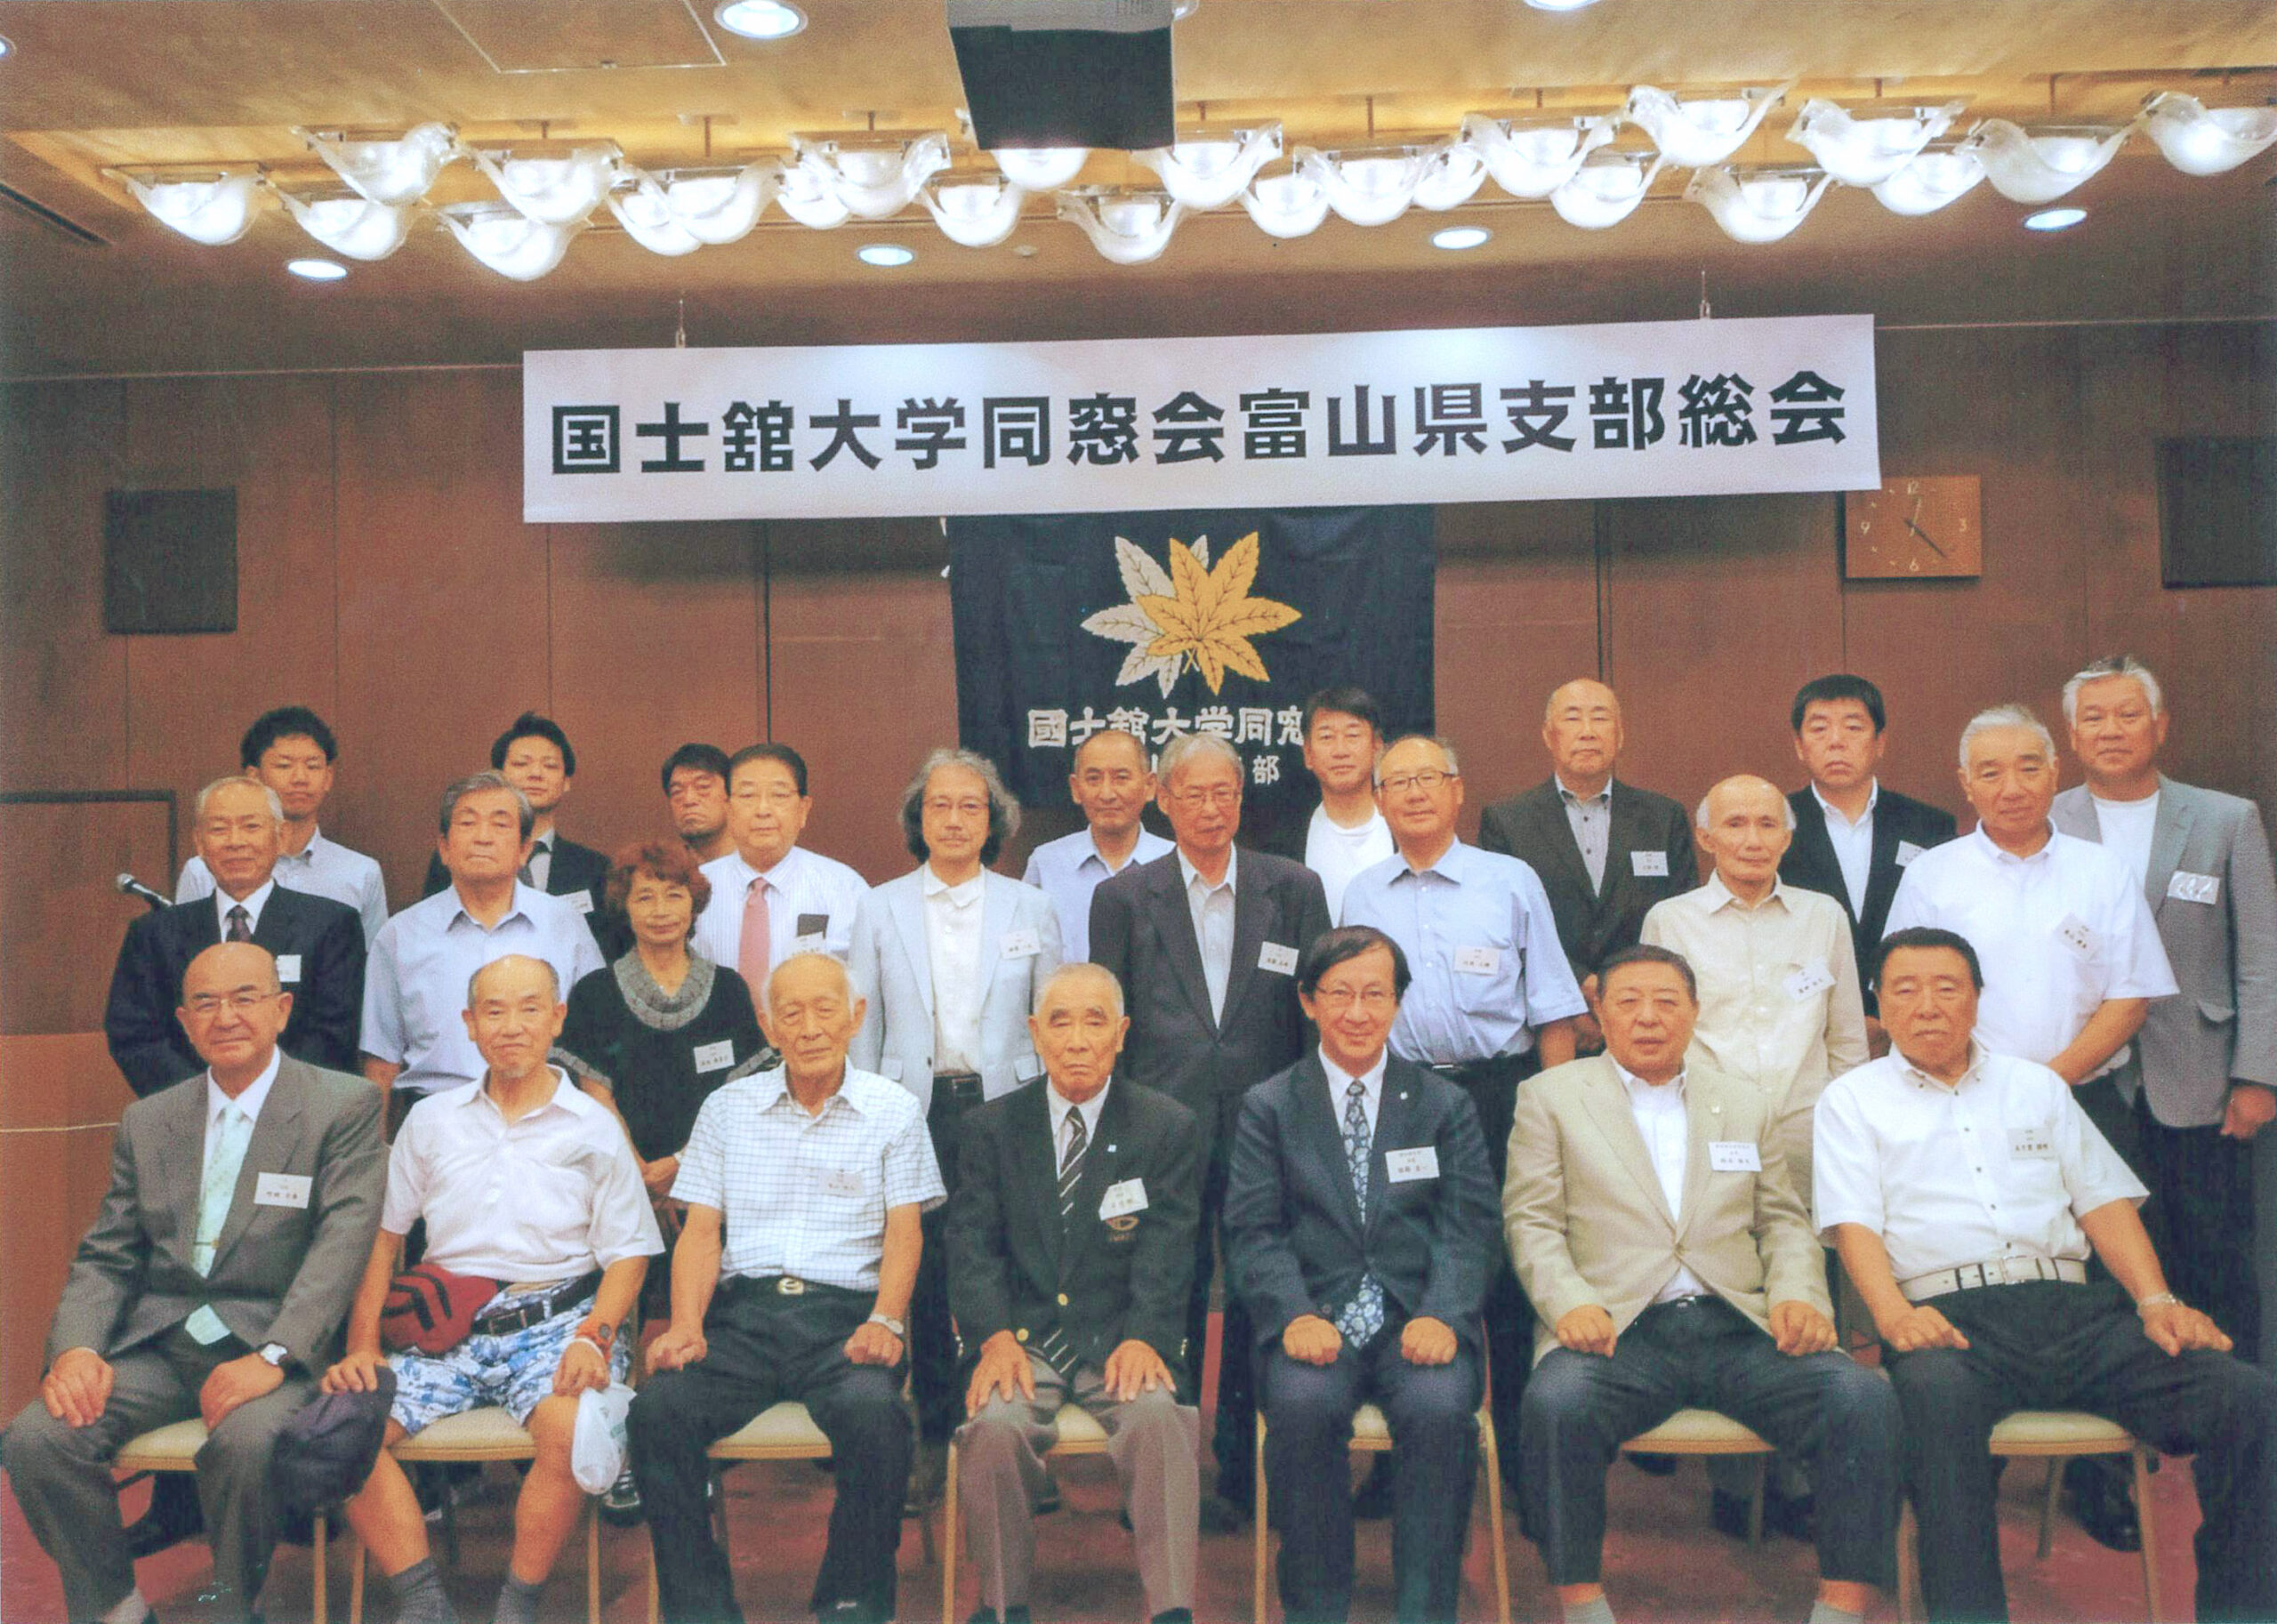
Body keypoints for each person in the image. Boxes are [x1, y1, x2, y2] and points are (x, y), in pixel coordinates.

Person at [1816, 928, 2277, 1624]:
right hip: (1950, 1321)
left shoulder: (2035, 1086)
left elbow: (2103, 1204)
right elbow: (1855, 1225)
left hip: (2074, 1311)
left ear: (1977, 998)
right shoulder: (1851, 1100)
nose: (1928, 1005)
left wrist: (2157, 1302)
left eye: (1947, 988)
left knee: (2248, 1399)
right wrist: (1893, 1317)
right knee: (1934, 1410)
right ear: (1879, 1003)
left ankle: (2241, 1613)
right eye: (1905, 990)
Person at [1508, 945, 1899, 1624]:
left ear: (1695, 1011)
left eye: (1667, 1001)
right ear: (1599, 1012)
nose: (1648, 1017)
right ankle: (1582, 1604)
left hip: (1739, 1326)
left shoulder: (1742, 1101)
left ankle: (1841, 1608)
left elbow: (1782, 1221)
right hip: (1618, 1327)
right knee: (1556, 1403)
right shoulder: (1551, 1098)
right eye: (1628, 1002)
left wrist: (1798, 1295)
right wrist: (1570, 1302)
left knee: (1862, 1399)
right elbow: (1532, 1221)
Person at [5, 942, 385, 1624]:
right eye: (205, 1003)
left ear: (282, 1009)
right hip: (163, 1344)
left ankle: (235, 1607)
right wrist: (77, 1349)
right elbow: (108, 1255)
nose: (226, 1016)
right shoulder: (150, 1120)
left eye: (245, 998)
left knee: (245, 1444)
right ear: (183, 1022)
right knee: (38, 1439)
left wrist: (273, 1356)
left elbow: (341, 1247)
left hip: (276, 1347)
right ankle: (118, 1609)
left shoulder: (342, 1104)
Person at [1882, 703, 2183, 1549]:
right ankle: (1963, 1465)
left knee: (2099, 1286)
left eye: (2026, 768)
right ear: (1964, 783)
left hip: (2081, 1094)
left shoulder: (2099, 870)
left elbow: (2131, 994)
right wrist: (1987, 1085)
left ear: (2055, 773)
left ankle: (2101, 1481)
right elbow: (1906, 986)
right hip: (1952, 1101)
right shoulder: (1935, 873)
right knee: (1972, 1266)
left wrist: (2045, 1084)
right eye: (1990, 771)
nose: (2010, 786)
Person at [323, 954, 660, 1624]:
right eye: (494, 1012)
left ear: (556, 1019)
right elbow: (384, 1239)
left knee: (569, 1430)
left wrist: (595, 1336)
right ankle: (424, 1604)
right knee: (341, 1433)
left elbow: (628, 1254)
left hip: (558, 1322)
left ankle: (516, 1608)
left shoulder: (593, 1125)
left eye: (530, 1009)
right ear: (470, 1024)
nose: (512, 1027)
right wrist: (362, 1345)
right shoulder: (431, 1120)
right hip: (445, 1328)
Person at [630, 952, 944, 1624]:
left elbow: (905, 1233)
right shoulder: (727, 1109)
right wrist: (686, 1325)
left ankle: (850, 1603)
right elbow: (700, 1233)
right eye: (791, 1013)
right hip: (744, 1321)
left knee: (875, 1415)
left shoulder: (893, 1110)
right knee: (657, 1411)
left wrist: (887, 1319)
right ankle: (701, 1610)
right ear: (769, 1026)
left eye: (825, 1009)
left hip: (844, 1322)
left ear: (856, 1017)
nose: (809, 1028)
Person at [1089, 730, 1332, 1528]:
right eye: (1192, 793)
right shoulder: (1125, 897)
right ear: (1162, 798)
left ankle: (1247, 1471)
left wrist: (1310, 1118)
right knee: (1167, 1293)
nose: (1209, 808)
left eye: (1224, 792)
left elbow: (1313, 1014)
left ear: (1241, 798)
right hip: (1162, 1127)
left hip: (1269, 1124)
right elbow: (1112, 1022)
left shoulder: (1292, 887)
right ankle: (1163, 1477)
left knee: (1263, 1289)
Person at [1224, 926, 1499, 1624]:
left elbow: (1470, 1228)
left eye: (1375, 994)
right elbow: (1254, 1231)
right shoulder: (1270, 1105)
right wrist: (1293, 1314)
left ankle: (1426, 1611)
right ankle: (1315, 1609)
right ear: (1308, 1001)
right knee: (1303, 1410)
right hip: (1313, 1320)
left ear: (1398, 1002)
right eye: (1339, 993)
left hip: (1418, 1321)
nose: (1356, 1012)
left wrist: (1443, 1313)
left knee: (1441, 1413)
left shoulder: (1443, 1104)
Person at [1340, 734, 1584, 1497]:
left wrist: (1559, 1121)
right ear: (1378, 801)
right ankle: (1401, 1466)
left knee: (1511, 1274)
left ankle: (1526, 1474)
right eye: (1398, 782)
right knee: (1402, 1263)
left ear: (1457, 789)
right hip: (1403, 1099)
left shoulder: (1510, 880)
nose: (1414, 792)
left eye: (1429, 778)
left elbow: (1554, 1010)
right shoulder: (1361, 894)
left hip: (1501, 1092)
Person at [949, 963, 1204, 1624]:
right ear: (1035, 1033)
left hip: (1121, 1335)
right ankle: (1001, 1605)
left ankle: (1172, 1608)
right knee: (994, 1428)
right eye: (1060, 1023)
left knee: (1160, 1420)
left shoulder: (1166, 1125)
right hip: (1023, 1338)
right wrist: (993, 1337)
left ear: (1122, 1033)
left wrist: (1145, 1335)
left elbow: (1170, 1246)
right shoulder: (990, 1128)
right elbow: (972, 1246)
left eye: (1096, 1022)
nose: (1078, 1040)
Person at [848, 747, 1063, 1501]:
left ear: (993, 820)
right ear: (918, 818)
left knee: (1012, 1256)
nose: (954, 819)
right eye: (939, 805)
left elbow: (1050, 1018)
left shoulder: (1030, 907)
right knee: (927, 1270)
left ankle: (1017, 1437)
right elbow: (864, 1025)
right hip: (914, 1106)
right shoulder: (879, 907)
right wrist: (869, 1116)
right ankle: (936, 1433)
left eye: (971, 806)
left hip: (1008, 1104)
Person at [2053, 656, 2277, 1362]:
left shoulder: (2225, 819)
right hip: (2089, 1082)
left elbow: (2261, 958)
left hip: (2202, 1082)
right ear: (2072, 735)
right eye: (2093, 718)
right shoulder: (2047, 820)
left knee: (2217, 1257)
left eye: (2128, 715)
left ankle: (2237, 1419)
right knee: (2105, 1268)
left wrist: (2257, 1076)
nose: (2111, 730)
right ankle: (2118, 1430)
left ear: (2160, 725)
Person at [553, 841, 768, 1315]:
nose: (661, 910)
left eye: (674, 895)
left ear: (694, 903)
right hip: (620, 1187)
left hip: (715, 1188)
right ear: (624, 908)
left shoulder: (729, 991)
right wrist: (643, 1180)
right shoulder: (594, 994)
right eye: (645, 897)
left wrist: (681, 1169)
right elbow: (595, 1095)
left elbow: (743, 1098)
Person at [1641, 774, 1868, 1204]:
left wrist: (1847, 1128)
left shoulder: (1824, 917)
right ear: (1706, 838)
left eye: (1767, 825)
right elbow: (1659, 1040)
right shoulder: (1669, 921)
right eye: (1735, 824)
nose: (1753, 841)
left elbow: (1847, 1040)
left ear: (1786, 838)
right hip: (1710, 1132)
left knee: (1807, 1244)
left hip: (1810, 1136)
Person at [108, 776, 366, 1096]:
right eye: (219, 829)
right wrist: (208, 1100)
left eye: (251, 827)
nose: (235, 841)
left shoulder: (331, 925)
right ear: (199, 843)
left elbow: (333, 1034)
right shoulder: (154, 934)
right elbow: (135, 1036)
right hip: (189, 1110)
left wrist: (261, 1100)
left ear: (280, 837)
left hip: (297, 1108)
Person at [360, 773, 605, 1106]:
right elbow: (380, 1063)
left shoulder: (565, 923)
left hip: (545, 1115)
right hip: (437, 1114)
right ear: (444, 848)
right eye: (468, 823)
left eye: (500, 824)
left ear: (524, 849)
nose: (483, 837)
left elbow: (596, 1042)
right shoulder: (400, 935)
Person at [1477, 679, 1694, 1049]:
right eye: (1573, 718)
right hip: (1551, 1025)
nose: (1588, 731)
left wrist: (1618, 993)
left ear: (1620, 735)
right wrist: (1577, 991)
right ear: (1549, 735)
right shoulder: (1508, 822)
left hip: (1645, 1019)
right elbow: (1503, 927)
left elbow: (1682, 917)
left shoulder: (1663, 818)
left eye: (1601, 718)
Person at [1780, 674, 1959, 1033]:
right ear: (1799, 746)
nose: (1836, 741)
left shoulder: (1928, 825)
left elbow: (1944, 931)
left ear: (1880, 743)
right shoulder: (1775, 824)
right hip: (1805, 1022)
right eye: (1819, 729)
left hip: (1909, 1020)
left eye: (1853, 727)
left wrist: (1885, 1018)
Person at [175, 705, 390, 945]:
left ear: (328, 777)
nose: (300, 778)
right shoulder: (203, 870)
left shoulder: (361, 872)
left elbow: (371, 961)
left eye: (312, 766)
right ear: (254, 776)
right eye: (284, 766)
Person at [421, 714, 616, 952]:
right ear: (498, 776)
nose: (536, 774)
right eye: (522, 764)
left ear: (566, 782)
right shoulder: (460, 856)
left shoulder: (595, 867)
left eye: (550, 766)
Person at [691, 743, 869, 995]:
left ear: (803, 809)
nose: (763, 810)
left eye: (779, 795)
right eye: (748, 796)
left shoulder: (845, 889)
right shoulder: (696, 887)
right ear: (728, 809)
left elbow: (866, 989)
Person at [1020, 727, 1171, 963]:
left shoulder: (1173, 861)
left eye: (1121, 778)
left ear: (1150, 786)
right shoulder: (1046, 863)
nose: (1107, 793)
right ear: (1075, 788)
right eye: (1093, 779)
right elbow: (1024, 955)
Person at [1257, 686, 1395, 921]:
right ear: (1308, 754)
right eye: (1327, 737)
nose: (1340, 751)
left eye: (1353, 736)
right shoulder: (1282, 842)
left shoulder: (1405, 828)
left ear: (1377, 747)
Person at [662, 742, 736, 864]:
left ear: (731, 794)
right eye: (677, 791)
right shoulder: (666, 871)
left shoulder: (761, 866)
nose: (689, 800)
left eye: (703, 786)